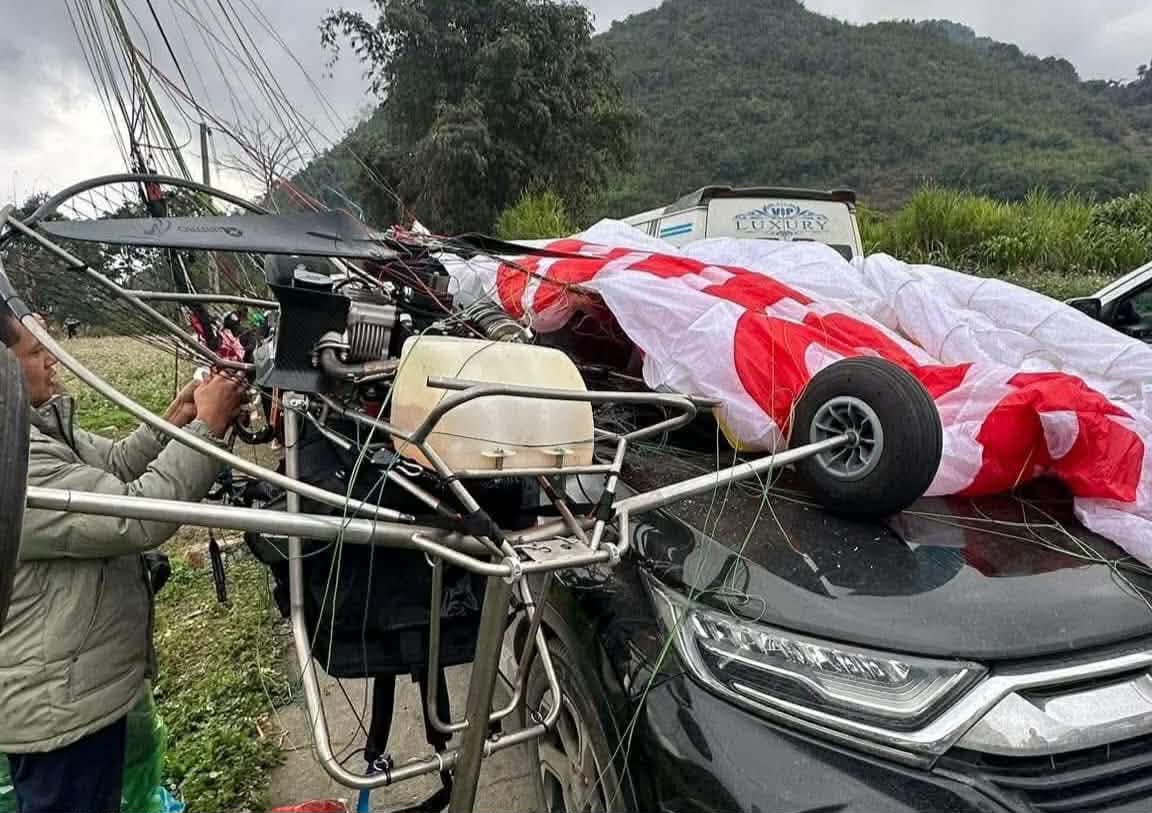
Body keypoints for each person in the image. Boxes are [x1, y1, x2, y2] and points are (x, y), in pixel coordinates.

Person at [0, 312, 248, 813]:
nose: (53, 358)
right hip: (58, 712)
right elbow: (138, 513)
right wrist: (208, 427)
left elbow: (112, 465)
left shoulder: (35, 425)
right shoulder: (13, 460)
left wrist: (176, 418)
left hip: (75, 684)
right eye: (36, 350)